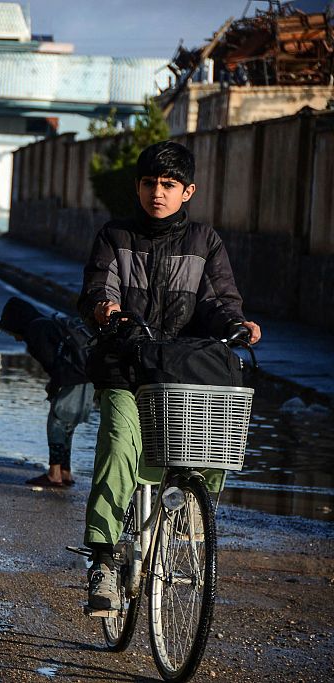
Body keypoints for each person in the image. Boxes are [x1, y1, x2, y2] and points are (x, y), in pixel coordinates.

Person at [78, 141, 261, 612]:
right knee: (120, 443)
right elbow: (99, 286)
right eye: (149, 183)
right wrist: (106, 309)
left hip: (183, 371)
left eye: (168, 184)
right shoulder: (114, 236)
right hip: (127, 367)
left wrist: (235, 324)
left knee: (215, 437)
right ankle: (102, 556)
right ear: (138, 187)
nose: (157, 192)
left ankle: (193, 516)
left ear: (187, 191)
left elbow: (219, 299)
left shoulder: (205, 241)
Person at [0, 296, 94, 488]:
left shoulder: (35, 331)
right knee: (68, 427)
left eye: (10, 331)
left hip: (71, 378)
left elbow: (54, 364)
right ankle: (66, 473)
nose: (14, 338)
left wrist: (53, 388)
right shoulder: (47, 323)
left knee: (56, 424)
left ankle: (54, 474)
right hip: (87, 375)